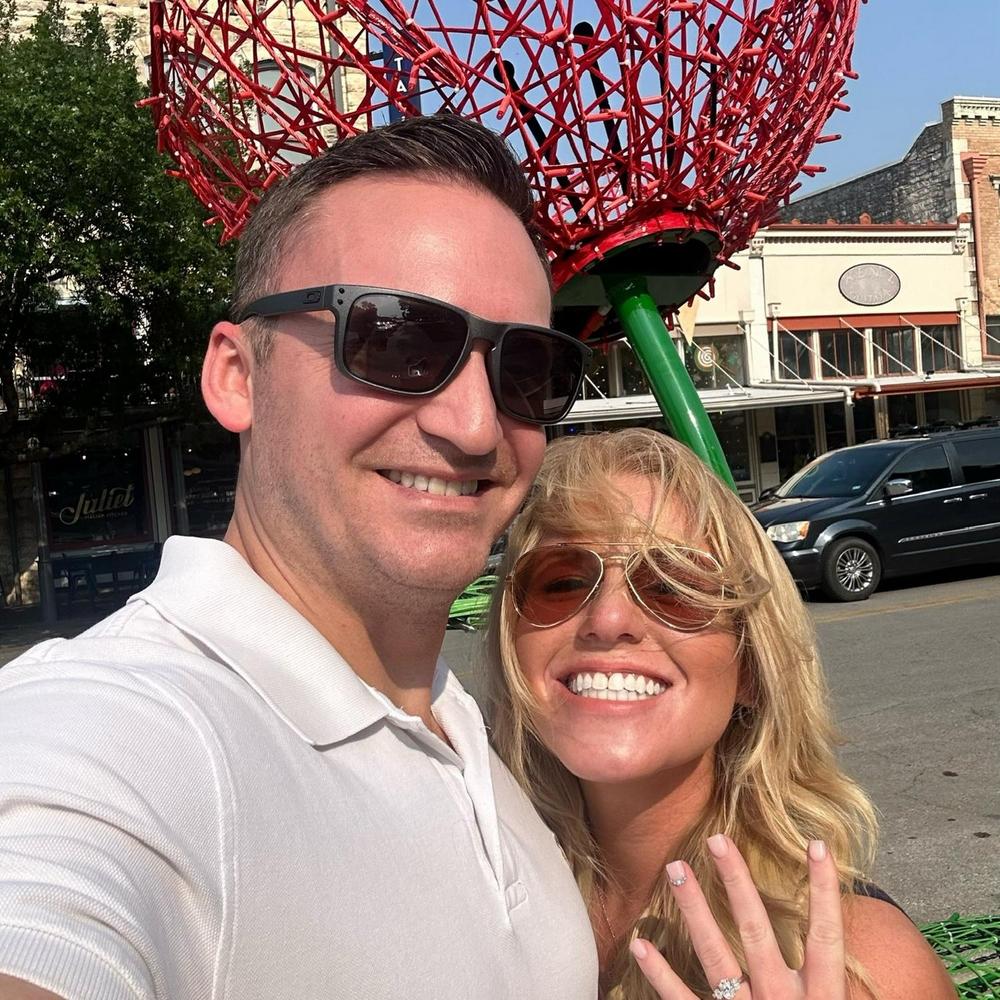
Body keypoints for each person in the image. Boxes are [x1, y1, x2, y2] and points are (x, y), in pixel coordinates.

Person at [0, 115, 601, 999]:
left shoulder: (471, 723)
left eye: (526, 368)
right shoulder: (126, 735)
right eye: (397, 340)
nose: (476, 426)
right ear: (237, 376)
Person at [484, 427, 956, 1000]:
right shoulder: (477, 894)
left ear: (750, 668)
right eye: (560, 582)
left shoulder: (861, 967)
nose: (607, 621)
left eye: (673, 585)